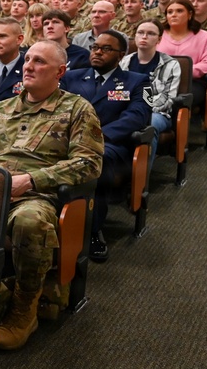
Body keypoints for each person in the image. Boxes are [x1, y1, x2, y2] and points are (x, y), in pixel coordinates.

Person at [0, 40, 104, 350]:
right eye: (28, 60)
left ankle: (24, 309)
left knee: (29, 222)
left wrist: (31, 180)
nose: (29, 66)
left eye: (40, 62)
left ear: (60, 72)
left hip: (40, 196)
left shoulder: (77, 109)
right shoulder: (2, 108)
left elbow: (89, 163)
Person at [61, 31, 151, 263]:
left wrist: (93, 138)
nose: (97, 52)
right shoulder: (72, 77)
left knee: (93, 164)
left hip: (111, 145)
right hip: (65, 139)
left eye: (105, 49)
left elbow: (137, 117)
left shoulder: (136, 81)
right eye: (95, 47)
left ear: (122, 54)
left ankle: (91, 230)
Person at [120, 20, 182, 169]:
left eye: (151, 33)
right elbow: (116, 93)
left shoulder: (170, 64)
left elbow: (166, 98)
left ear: (159, 39)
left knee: (149, 125)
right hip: (126, 109)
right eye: (140, 32)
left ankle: (140, 179)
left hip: (157, 113)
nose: (144, 36)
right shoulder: (124, 61)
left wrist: (140, 109)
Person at [156, 0, 207, 101]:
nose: (174, 15)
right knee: (130, 96)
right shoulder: (157, 34)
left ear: (190, 14)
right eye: (170, 12)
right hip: (158, 81)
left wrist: (181, 72)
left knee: (170, 99)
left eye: (179, 11)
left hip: (191, 83)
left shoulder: (204, 37)